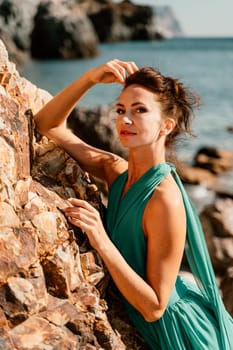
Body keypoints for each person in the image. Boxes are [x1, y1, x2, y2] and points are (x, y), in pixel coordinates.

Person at [34, 59, 233, 349]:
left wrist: (100, 239)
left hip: (180, 336)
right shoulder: (114, 169)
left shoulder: (164, 199)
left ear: (166, 125)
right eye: (120, 109)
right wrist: (90, 78)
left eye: (139, 110)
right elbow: (47, 124)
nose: (125, 119)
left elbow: (155, 308)